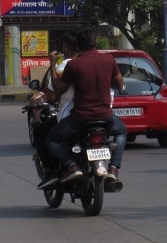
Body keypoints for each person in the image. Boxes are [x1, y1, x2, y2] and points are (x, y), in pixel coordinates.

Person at [45, 25, 127, 184]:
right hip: (105, 116)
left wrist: (53, 65)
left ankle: (72, 165)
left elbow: (58, 90)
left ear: (79, 45)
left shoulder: (73, 65)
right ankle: (114, 168)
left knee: (51, 140)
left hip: (79, 118)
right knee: (122, 132)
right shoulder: (108, 59)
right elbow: (119, 84)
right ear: (95, 43)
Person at [34, 32, 80, 189]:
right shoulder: (96, 63)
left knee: (43, 134)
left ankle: (51, 171)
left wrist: (52, 64)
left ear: (65, 49)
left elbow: (54, 95)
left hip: (72, 114)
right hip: (100, 113)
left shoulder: (65, 66)